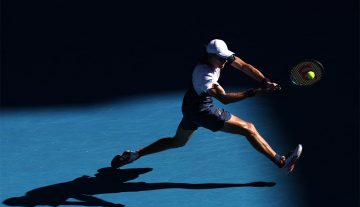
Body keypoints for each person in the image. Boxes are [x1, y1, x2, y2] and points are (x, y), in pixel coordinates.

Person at [110, 39, 302, 173]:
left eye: (226, 58)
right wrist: (254, 92)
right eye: (221, 59)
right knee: (249, 129)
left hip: (190, 105)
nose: (225, 62)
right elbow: (224, 99)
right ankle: (281, 161)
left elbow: (243, 65)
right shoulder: (204, 75)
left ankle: (135, 155)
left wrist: (265, 80)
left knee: (177, 141)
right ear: (210, 56)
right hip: (203, 110)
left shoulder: (219, 58)